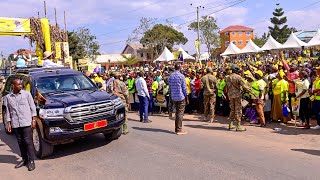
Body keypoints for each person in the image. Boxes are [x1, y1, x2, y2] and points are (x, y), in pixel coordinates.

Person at [3, 78, 37, 171]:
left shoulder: (26, 94)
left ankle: (31, 161)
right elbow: (8, 111)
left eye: (21, 84)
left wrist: (33, 120)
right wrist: (8, 123)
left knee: (27, 141)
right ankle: (24, 159)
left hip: (26, 122)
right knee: (20, 142)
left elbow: (32, 107)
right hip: (15, 123)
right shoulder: (8, 97)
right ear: (13, 86)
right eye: (18, 85)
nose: (21, 86)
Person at [224, 65, 251, 131]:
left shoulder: (227, 78)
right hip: (237, 95)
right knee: (238, 110)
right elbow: (244, 86)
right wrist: (249, 89)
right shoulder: (238, 77)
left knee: (232, 109)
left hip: (230, 95)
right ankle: (238, 125)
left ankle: (231, 124)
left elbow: (226, 87)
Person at [169, 63, 188, 135]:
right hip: (180, 97)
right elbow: (184, 88)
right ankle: (179, 129)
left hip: (174, 97)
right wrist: (187, 97)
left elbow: (170, 88)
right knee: (180, 113)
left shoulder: (171, 76)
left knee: (177, 113)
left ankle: (176, 129)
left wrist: (171, 96)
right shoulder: (181, 76)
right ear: (180, 68)